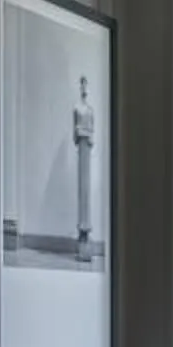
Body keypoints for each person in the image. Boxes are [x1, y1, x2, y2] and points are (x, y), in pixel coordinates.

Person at [71, 76, 96, 260]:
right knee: (82, 191)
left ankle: (86, 232)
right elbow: (76, 131)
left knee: (87, 191)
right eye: (82, 85)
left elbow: (91, 132)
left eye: (86, 85)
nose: (84, 88)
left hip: (86, 148)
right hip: (81, 148)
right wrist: (82, 133)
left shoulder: (90, 110)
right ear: (80, 87)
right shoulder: (77, 109)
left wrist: (85, 133)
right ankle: (82, 232)